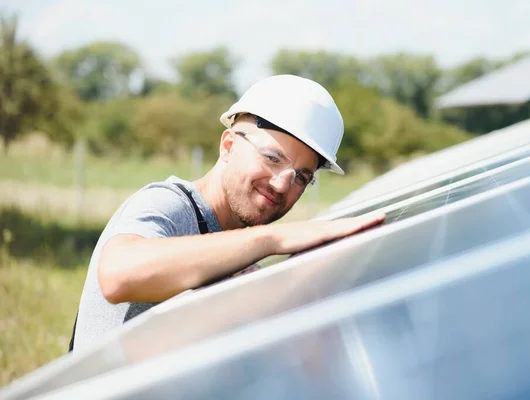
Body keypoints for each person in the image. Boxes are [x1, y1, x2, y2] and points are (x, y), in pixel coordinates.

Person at [70, 74, 385, 351]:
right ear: (229, 145)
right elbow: (117, 276)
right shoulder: (169, 205)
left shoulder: (231, 246)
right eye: (273, 158)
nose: (281, 185)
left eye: (301, 177)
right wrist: (270, 238)